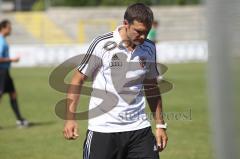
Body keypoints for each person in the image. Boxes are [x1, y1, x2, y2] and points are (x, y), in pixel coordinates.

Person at [63, 3, 168, 159]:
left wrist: (160, 125)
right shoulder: (102, 44)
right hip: (103, 130)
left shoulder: (149, 48)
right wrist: (70, 119)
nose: (143, 37)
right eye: (138, 32)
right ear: (126, 24)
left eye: (146, 32)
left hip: (139, 130)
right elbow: (78, 79)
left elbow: (151, 87)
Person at [0, 19, 29, 128]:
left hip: (5, 72)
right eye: (9, 27)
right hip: (1, 72)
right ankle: (20, 119)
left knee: (13, 94)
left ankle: (19, 119)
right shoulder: (1, 41)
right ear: (3, 28)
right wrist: (12, 59)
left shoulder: (3, 40)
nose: (10, 29)